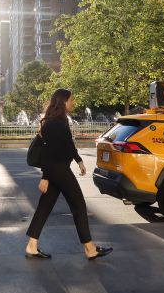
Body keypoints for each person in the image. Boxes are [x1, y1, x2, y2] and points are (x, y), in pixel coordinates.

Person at [25, 88, 112, 260]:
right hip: (58, 171)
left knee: (45, 207)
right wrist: (46, 177)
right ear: (63, 101)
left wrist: (78, 159)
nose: (73, 102)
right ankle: (89, 248)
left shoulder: (59, 120)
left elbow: (67, 143)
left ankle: (32, 245)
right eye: (71, 100)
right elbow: (50, 153)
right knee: (79, 205)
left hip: (58, 170)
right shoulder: (53, 123)